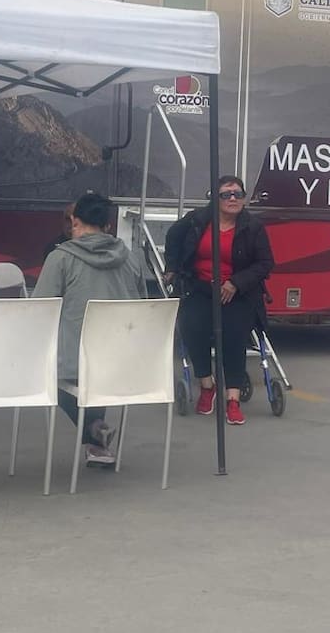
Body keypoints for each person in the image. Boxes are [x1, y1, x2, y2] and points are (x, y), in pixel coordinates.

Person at [33, 192, 147, 465]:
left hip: (75, 364)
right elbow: (143, 306)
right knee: (96, 367)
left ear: (75, 222)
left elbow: (38, 310)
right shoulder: (131, 259)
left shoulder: (60, 258)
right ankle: (97, 443)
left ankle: (93, 431)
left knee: (43, 374)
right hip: (126, 361)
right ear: (108, 225)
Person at [165, 175, 274, 426]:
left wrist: (236, 282)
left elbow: (265, 264)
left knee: (234, 336)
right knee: (192, 327)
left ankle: (232, 400)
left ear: (244, 198)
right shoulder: (197, 220)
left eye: (238, 194)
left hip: (238, 294)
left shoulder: (253, 227)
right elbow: (173, 237)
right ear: (215, 199)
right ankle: (207, 386)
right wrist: (172, 266)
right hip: (200, 288)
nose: (233, 198)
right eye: (226, 194)